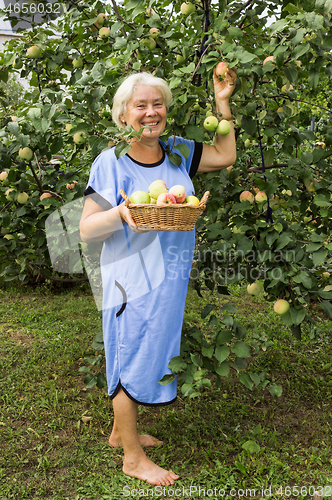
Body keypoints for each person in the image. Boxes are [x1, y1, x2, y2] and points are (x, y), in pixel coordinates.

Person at [79, 64, 237, 486]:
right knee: (132, 352)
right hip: (130, 280)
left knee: (152, 349)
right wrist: (119, 213)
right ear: (123, 114)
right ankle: (132, 459)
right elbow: (86, 228)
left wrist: (222, 104)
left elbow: (225, 155)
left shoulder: (179, 152)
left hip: (168, 279)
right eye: (141, 106)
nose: (151, 112)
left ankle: (119, 432)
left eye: (158, 104)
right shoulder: (109, 163)